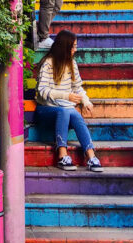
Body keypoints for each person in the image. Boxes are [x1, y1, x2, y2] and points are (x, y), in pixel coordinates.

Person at [34, 30, 103, 172]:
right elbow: (42, 90)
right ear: (64, 47)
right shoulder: (48, 63)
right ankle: (62, 155)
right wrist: (66, 96)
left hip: (65, 111)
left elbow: (77, 87)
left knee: (74, 113)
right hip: (45, 111)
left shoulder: (72, 63)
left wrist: (86, 101)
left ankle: (91, 156)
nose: (75, 50)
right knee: (65, 111)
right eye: (73, 47)